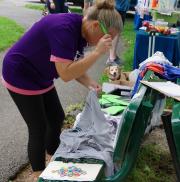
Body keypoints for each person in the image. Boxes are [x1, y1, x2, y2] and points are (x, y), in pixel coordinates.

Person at [2, 0, 122, 181]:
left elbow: (73, 66)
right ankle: (38, 173)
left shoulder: (82, 32)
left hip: (41, 73)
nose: (108, 43)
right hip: (20, 73)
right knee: (38, 127)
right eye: (107, 38)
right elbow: (66, 73)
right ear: (96, 25)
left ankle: (53, 156)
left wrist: (90, 82)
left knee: (57, 116)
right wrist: (96, 53)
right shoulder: (64, 29)